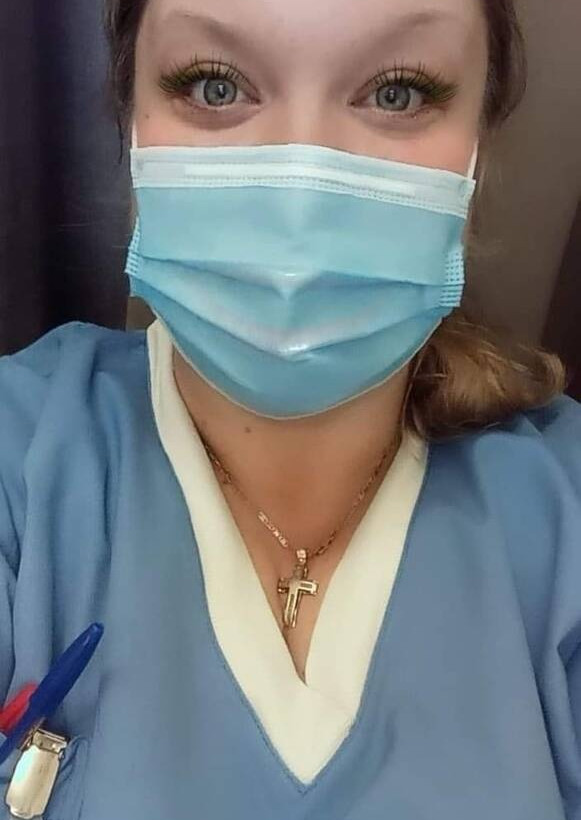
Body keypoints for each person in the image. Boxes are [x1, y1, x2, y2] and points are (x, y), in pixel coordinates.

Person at [1, 0, 580, 817]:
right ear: (130, 125)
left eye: (396, 93)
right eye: (213, 85)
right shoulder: (21, 457)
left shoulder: (562, 512)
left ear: (477, 152)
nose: (300, 183)